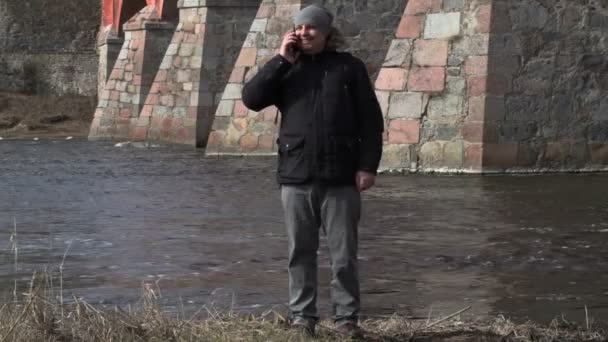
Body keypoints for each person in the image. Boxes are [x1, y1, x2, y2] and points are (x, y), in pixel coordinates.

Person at [241, 4, 384, 338]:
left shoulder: (349, 68)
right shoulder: (286, 68)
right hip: (296, 175)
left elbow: (371, 123)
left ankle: (346, 319)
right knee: (300, 252)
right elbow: (251, 99)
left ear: (326, 33)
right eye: (300, 28)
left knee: (344, 255)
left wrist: (367, 167)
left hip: (341, 177)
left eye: (312, 29)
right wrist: (280, 60)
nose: (304, 33)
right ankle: (303, 318)